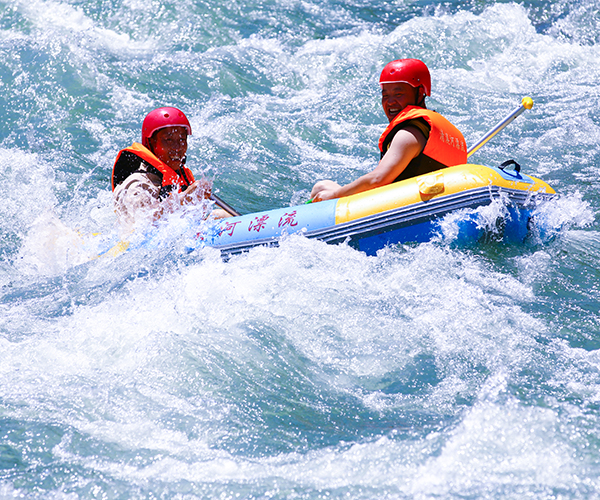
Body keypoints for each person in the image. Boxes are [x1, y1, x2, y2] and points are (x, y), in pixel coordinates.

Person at [310, 59, 468, 202]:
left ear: (419, 93)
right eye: (385, 95)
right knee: (322, 186)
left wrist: (334, 196)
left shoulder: (409, 134)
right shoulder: (439, 130)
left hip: (405, 208)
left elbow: (377, 179)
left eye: (398, 94)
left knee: (323, 189)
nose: (390, 102)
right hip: (432, 200)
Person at [111, 106, 231, 229]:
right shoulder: (137, 184)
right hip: (139, 245)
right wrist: (184, 199)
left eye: (182, 139)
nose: (177, 147)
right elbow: (141, 227)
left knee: (220, 215)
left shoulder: (179, 177)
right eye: (168, 139)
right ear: (151, 143)